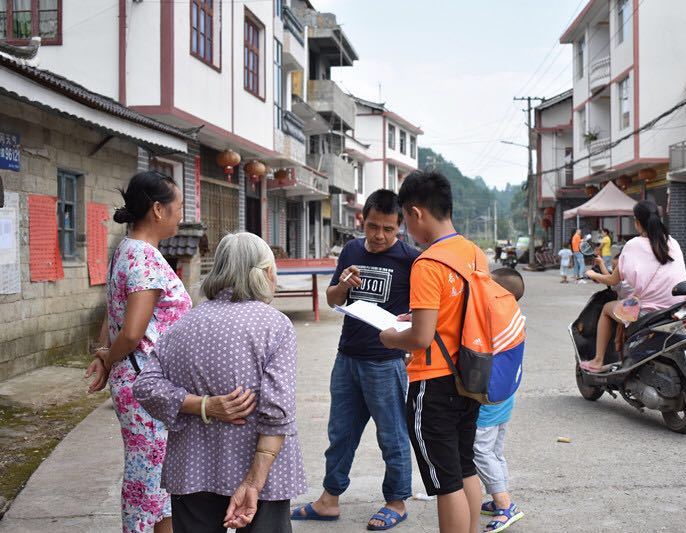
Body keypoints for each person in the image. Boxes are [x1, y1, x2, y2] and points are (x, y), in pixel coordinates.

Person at [133, 232, 306, 533]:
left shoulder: (183, 325)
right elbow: (277, 410)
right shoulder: (275, 326)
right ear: (266, 273)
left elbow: (145, 386)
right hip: (259, 471)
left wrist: (203, 406)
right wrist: (253, 481)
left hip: (192, 468)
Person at [292, 190, 418, 531]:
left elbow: (422, 312)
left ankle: (397, 501)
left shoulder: (410, 259)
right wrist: (343, 285)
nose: (379, 236)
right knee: (340, 433)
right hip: (347, 358)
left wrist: (410, 331)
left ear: (400, 227)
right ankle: (329, 499)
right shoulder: (351, 250)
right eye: (373, 226)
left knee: (391, 436)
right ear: (363, 221)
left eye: (388, 229)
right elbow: (333, 299)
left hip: (386, 361)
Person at [84, 171, 192, 533]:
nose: (181, 215)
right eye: (178, 207)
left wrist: (104, 356)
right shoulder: (144, 258)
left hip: (138, 380)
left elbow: (111, 314)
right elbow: (130, 332)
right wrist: (110, 358)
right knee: (149, 482)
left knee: (153, 479)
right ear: (158, 210)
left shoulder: (126, 250)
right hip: (146, 385)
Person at [379, 170, 483, 533]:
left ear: (416, 212)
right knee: (465, 466)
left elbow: (420, 338)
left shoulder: (427, 263)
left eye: (404, 219)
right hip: (470, 376)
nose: (407, 228)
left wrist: (391, 337)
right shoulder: (473, 253)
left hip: (434, 383)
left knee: (445, 483)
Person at [581, 201, 686, 372]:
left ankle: (598, 360)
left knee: (606, 310)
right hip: (676, 310)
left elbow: (613, 281)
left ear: (637, 222)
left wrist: (592, 275)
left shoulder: (633, 245)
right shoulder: (673, 242)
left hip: (645, 311)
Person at [474, 268, 526, 533]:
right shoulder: (516, 318)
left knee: (480, 451)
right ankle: (500, 497)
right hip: (506, 396)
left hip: (489, 399)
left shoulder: (493, 320)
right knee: (494, 451)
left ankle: (504, 505)